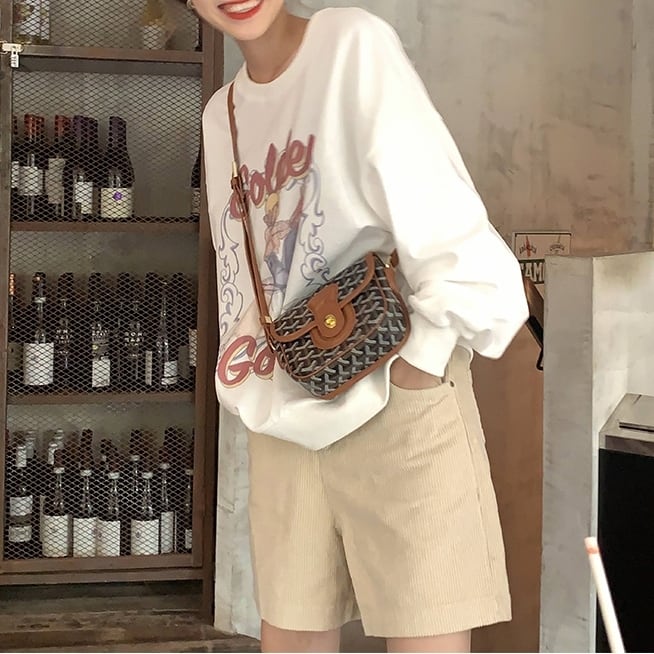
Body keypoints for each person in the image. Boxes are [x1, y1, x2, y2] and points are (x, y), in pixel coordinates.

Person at [190, 0, 529, 652]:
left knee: (424, 634)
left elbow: (443, 213)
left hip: (393, 395)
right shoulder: (220, 114)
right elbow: (242, 280)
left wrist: (420, 364)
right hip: (287, 415)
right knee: (292, 636)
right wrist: (248, 386)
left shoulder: (351, 45)